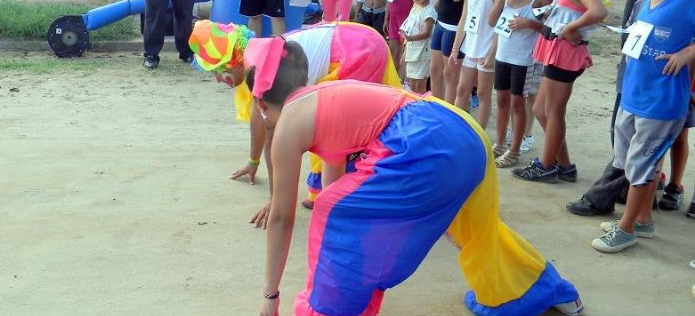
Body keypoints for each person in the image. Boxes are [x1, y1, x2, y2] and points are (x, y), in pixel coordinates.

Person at [247, 40, 584, 316]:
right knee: (474, 226)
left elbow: (282, 217)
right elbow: (336, 185)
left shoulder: (289, 121)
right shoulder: (324, 95)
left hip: (423, 141)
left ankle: (329, 311)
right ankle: (538, 290)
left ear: (261, 102)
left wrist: (270, 295)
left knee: (332, 213)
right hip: (460, 129)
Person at [188, 19, 400, 221]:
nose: (217, 79)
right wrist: (253, 162)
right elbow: (258, 119)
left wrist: (276, 200)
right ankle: (331, 193)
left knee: (342, 129)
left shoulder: (261, 71)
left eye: (219, 71)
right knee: (328, 124)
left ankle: (345, 199)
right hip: (353, 39)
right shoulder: (255, 55)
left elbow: (275, 138)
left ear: (234, 62)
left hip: (357, 51)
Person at [591, 0, 695, 253]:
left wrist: (686, 54)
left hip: (661, 104)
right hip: (634, 96)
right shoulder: (642, 2)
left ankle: (625, 230)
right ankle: (643, 220)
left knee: (641, 166)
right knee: (633, 163)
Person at [512, 0, 607, 183]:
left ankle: (546, 165)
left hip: (565, 53)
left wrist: (572, 29)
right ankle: (563, 164)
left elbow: (598, 11)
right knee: (541, 109)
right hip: (556, 50)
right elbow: (568, 8)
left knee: (552, 111)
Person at [489, 0, 553, 168]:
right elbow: (491, 22)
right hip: (503, 55)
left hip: (524, 60)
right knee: (502, 100)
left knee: (518, 104)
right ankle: (499, 143)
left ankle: (515, 149)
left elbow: (549, 28)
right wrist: (500, 0)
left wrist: (530, 23)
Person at [451, 0, 503, 128]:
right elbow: (463, 20)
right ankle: (456, 127)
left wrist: (491, 53)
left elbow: (501, 23)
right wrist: (455, 48)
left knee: (482, 93)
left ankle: (480, 131)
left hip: (487, 49)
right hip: (471, 47)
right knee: (462, 89)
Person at [399, 0, 435, 94]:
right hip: (412, 51)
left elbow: (427, 33)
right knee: (412, 84)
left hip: (423, 53)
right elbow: (410, 27)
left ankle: (423, 107)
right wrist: (405, 48)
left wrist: (409, 38)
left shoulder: (429, 11)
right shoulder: (415, 7)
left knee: (420, 85)